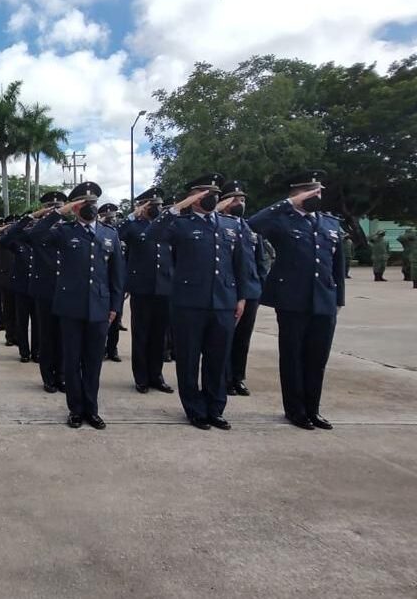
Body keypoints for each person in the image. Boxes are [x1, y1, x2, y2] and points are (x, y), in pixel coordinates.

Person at [147, 173, 247, 431]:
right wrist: (177, 207)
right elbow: (151, 234)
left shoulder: (230, 225)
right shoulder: (180, 224)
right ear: (193, 198)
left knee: (218, 359)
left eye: (214, 193)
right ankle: (195, 409)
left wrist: (241, 297)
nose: (212, 197)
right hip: (189, 303)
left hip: (223, 302)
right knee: (189, 359)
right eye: (204, 193)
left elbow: (240, 264)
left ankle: (215, 408)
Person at [249, 170, 345, 430]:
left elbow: (338, 264)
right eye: (312, 191)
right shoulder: (281, 221)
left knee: (317, 358)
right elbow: (253, 223)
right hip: (292, 300)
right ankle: (295, 410)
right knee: (292, 357)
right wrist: (288, 203)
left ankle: (313, 409)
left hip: (324, 300)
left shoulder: (330, 223)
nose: (318, 196)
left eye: (319, 191)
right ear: (296, 194)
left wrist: (338, 299)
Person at [28, 182, 123, 430]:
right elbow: (35, 236)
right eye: (84, 203)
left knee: (93, 362)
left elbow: (117, 275)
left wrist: (115, 306)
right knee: (71, 362)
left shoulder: (110, 234)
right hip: (70, 307)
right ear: (75, 207)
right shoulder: (64, 231)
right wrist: (58, 212)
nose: (90, 207)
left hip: (100, 308)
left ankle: (92, 409)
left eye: (93, 202)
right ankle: (76, 410)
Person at [0, 193, 67, 392]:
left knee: (64, 338)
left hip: (67, 291)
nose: (55, 210)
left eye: (58, 207)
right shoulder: (34, 232)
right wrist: (31, 217)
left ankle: (62, 376)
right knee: (46, 336)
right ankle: (49, 377)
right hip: (44, 291)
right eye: (50, 207)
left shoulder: (70, 229)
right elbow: (6, 239)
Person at [119, 187, 175, 394]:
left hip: (164, 287)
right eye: (152, 205)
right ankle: (141, 377)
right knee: (141, 334)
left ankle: (156, 376)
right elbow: (117, 233)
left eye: (159, 204)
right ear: (142, 206)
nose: (157, 208)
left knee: (159, 336)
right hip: (142, 288)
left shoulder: (168, 226)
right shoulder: (134, 226)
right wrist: (132, 215)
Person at [216, 181, 267, 397]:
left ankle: (238, 377)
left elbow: (261, 260)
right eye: (235, 200)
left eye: (243, 200)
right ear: (224, 202)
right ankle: (224, 378)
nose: (240, 204)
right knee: (224, 337)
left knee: (243, 338)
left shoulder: (250, 227)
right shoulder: (218, 225)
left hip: (251, 290)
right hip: (228, 290)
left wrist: (259, 285)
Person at [0, 212, 39, 363]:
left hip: (37, 289)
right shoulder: (17, 242)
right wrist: (25, 220)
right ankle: (24, 352)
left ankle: (36, 352)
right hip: (21, 289)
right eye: (29, 225)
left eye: (33, 225)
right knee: (21, 323)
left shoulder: (41, 242)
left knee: (37, 324)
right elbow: (4, 240)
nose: (31, 228)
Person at [99, 203, 124, 363]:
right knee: (101, 319)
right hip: (101, 282)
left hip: (115, 282)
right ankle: (101, 348)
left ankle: (112, 348)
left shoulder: (117, 233)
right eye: (107, 217)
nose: (110, 220)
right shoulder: (100, 233)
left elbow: (122, 263)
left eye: (113, 217)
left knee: (115, 318)